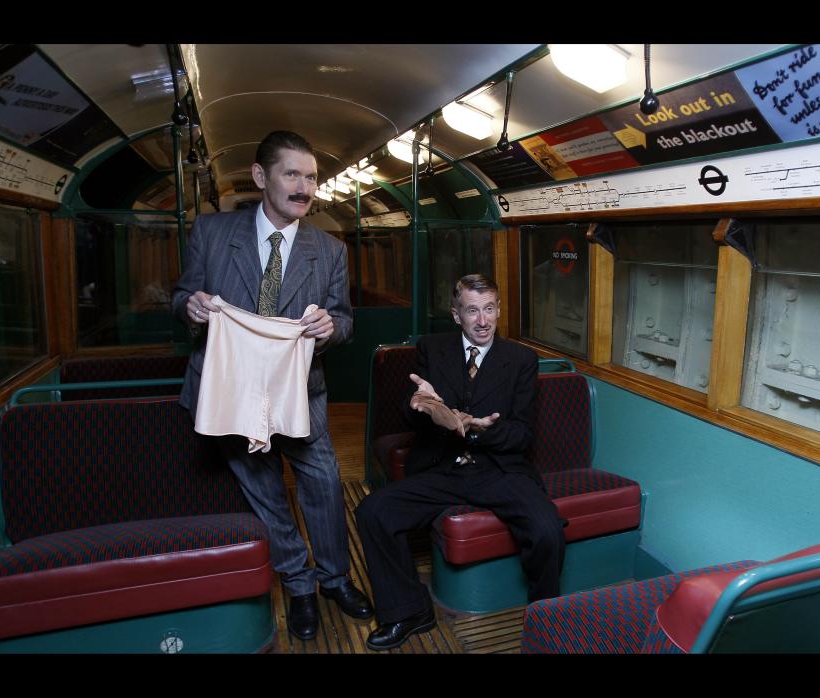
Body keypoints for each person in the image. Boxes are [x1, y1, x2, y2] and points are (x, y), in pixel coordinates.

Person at [172, 130, 372, 641]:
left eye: (311, 178)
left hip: (300, 393)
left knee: (325, 485)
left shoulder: (328, 249)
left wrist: (331, 329)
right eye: (292, 175)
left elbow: (345, 321)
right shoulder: (213, 234)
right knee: (264, 493)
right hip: (232, 392)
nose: (304, 188)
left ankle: (335, 578)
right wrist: (191, 308)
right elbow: (180, 297)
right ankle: (300, 584)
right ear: (261, 177)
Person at [355, 274, 565, 651]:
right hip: (442, 468)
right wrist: (422, 407)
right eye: (472, 310)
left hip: (498, 470)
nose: (483, 320)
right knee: (373, 511)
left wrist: (475, 430)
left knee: (547, 529)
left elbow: (521, 435)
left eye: (489, 309)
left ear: (498, 310)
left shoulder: (521, 360)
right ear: (456, 315)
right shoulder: (432, 350)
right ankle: (409, 611)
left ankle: (545, 619)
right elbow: (411, 411)